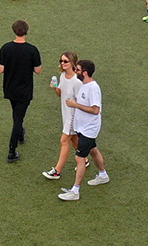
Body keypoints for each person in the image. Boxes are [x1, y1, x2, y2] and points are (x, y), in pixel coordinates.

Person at [56, 59, 106, 201]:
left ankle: (75, 191)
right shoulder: (83, 85)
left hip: (89, 129)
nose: (75, 71)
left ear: (84, 72)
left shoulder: (93, 88)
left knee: (80, 158)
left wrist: (76, 105)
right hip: (82, 127)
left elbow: (96, 110)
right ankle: (103, 175)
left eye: (77, 70)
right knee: (93, 150)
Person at [0, 20, 41, 162]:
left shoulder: (5, 48)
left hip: (10, 88)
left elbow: (1, 69)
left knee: (16, 114)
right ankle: (12, 150)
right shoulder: (32, 50)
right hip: (25, 90)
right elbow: (38, 70)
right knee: (18, 119)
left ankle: (20, 133)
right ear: (26, 31)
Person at [41, 52, 81, 180]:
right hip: (66, 114)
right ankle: (84, 158)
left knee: (64, 141)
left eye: (65, 61)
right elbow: (61, 94)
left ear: (73, 63)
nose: (62, 63)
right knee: (74, 138)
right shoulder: (63, 76)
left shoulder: (77, 81)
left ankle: (57, 171)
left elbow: (81, 101)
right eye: (61, 61)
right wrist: (55, 88)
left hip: (73, 116)